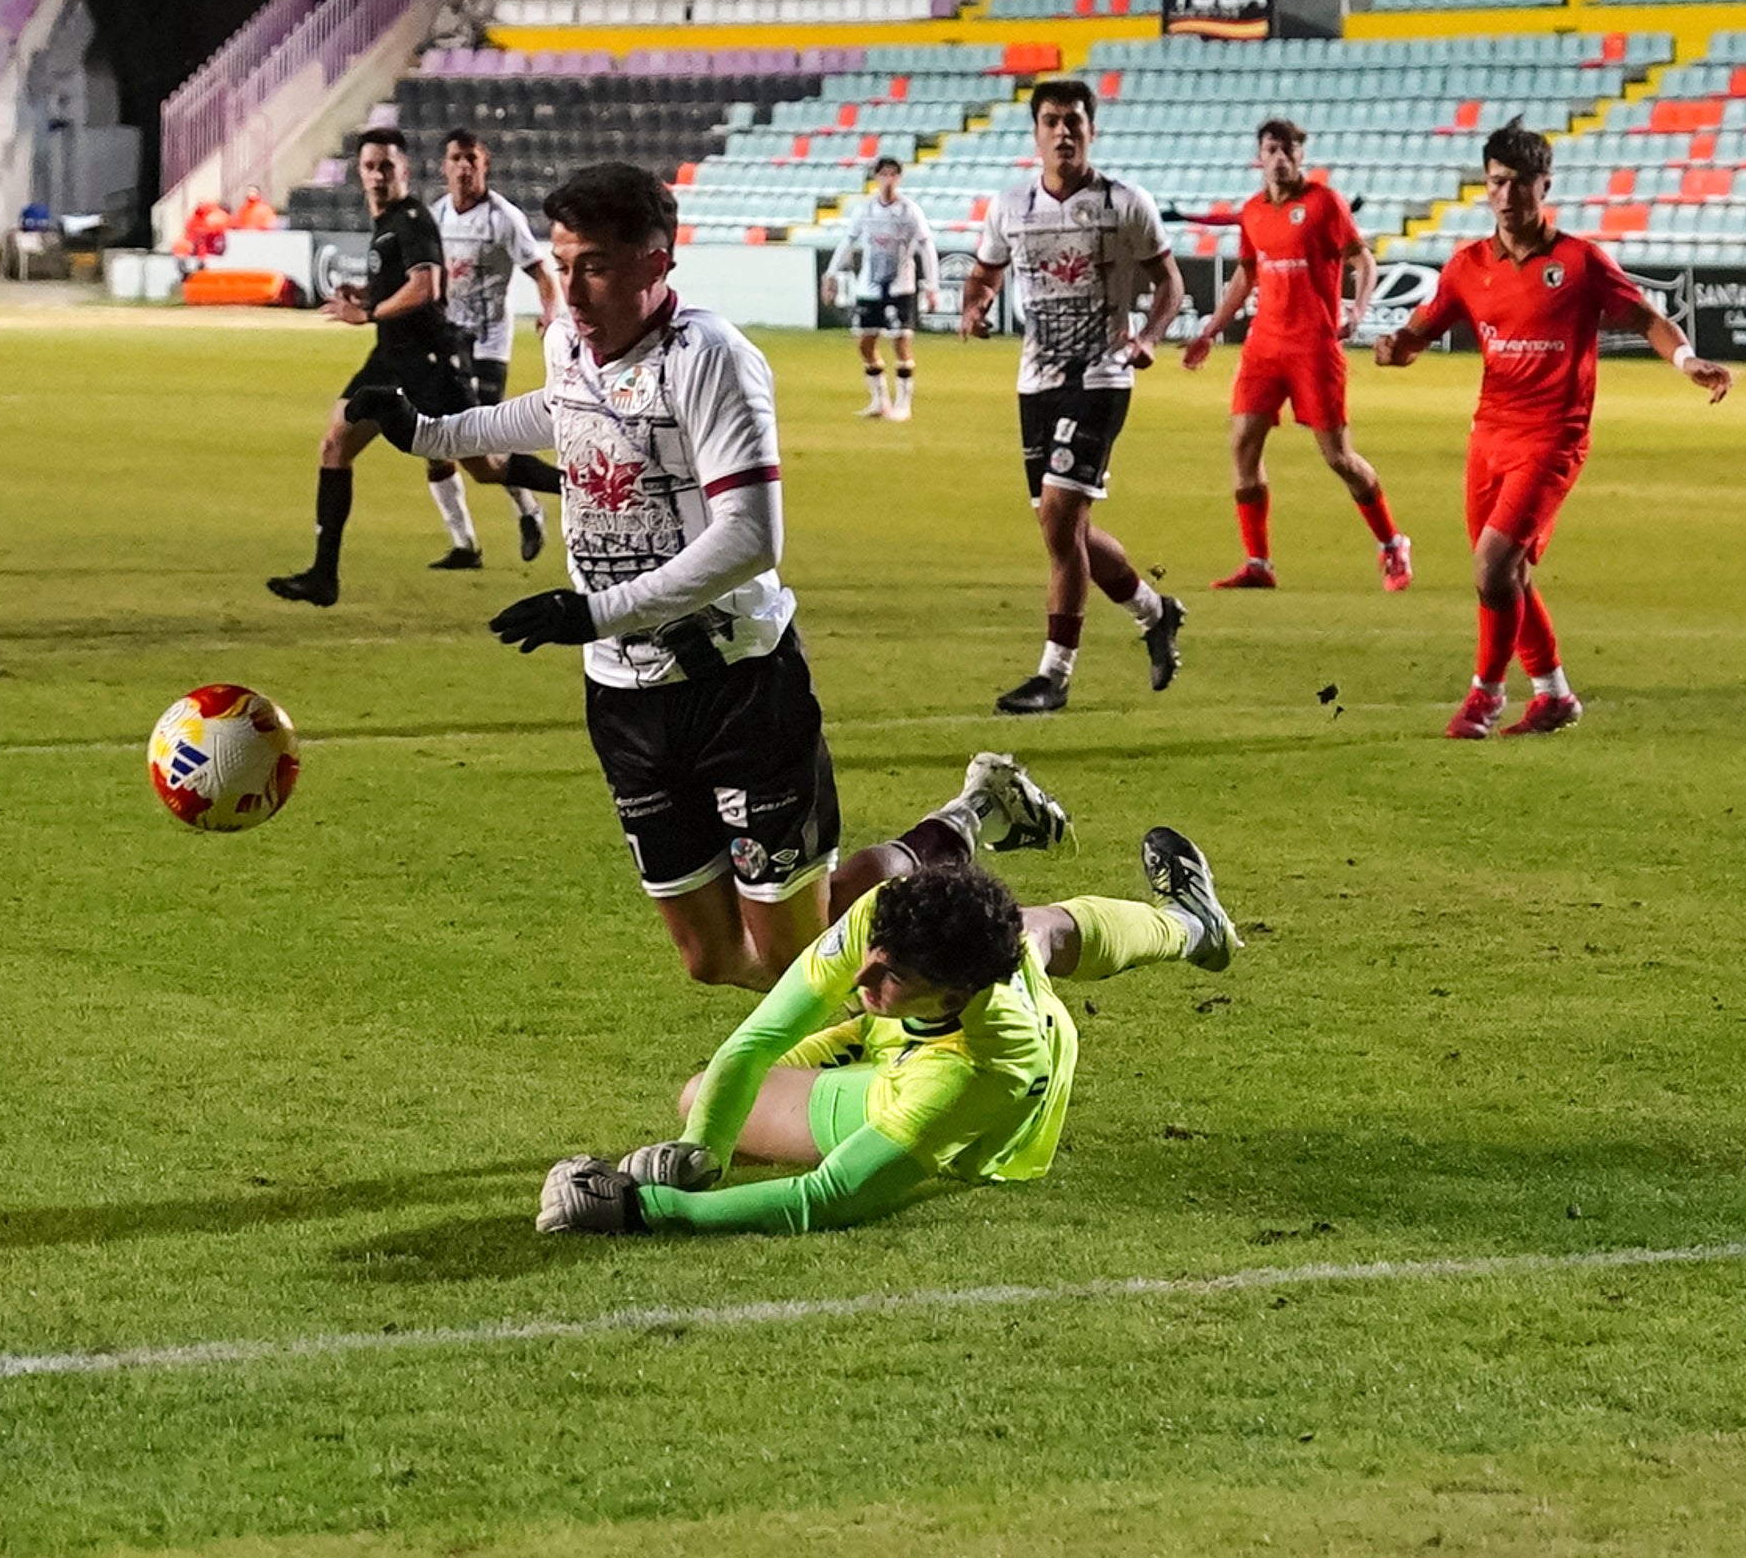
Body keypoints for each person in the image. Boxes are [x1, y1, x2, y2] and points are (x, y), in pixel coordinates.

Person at [346, 161, 835, 990]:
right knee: (713, 958)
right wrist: (429, 432)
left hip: (737, 685)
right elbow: (557, 409)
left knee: (795, 958)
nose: (570, 291)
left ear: (656, 263)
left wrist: (596, 612)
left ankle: (940, 849)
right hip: (624, 696)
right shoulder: (567, 342)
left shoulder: (711, 359)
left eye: (596, 267)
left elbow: (751, 536)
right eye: (563, 264)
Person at [535, 755, 1240, 1237]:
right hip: (926, 1021)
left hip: (964, 1097)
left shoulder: (983, 1070)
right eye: (872, 962)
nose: (861, 981)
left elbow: (827, 1198)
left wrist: (653, 1210)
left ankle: (1182, 920)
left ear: (953, 992)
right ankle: (1191, 925)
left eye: (890, 978)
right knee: (1036, 927)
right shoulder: (884, 919)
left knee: (699, 1092)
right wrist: (700, 1152)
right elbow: (758, 1038)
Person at [1373, 120, 1731, 739]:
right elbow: (1415, 336)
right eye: (1496, 183)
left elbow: (1646, 317)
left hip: (1553, 439)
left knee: (1491, 567)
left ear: (1545, 185)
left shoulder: (1579, 262)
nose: (1506, 196)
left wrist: (1685, 360)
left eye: (1519, 183)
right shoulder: (1467, 267)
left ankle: (1485, 695)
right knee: (1509, 574)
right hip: (1489, 437)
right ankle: (1554, 696)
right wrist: (1394, 348)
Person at [959, 78, 1188, 715]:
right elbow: (984, 273)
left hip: (1101, 377)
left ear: (1092, 130)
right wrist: (975, 306)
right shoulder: (1011, 206)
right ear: (1036, 133)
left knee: (1061, 520)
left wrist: (1149, 336)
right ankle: (1155, 612)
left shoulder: (1125, 203)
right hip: (1036, 382)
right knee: (1067, 530)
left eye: (1074, 122)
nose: (1063, 132)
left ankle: (1053, 676)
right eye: (1052, 121)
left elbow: (1169, 281)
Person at [266, 129, 546, 607]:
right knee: (335, 444)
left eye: (387, 167)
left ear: (405, 171)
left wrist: (369, 313)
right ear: (359, 172)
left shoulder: (413, 218)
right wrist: (366, 294)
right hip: (390, 358)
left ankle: (576, 485)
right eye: (370, 167)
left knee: (484, 466)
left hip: (429, 362)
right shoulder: (392, 220)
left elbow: (426, 286)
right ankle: (323, 575)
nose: (378, 175)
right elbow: (406, 283)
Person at [1181, 117, 1410, 592]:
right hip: (1264, 346)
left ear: (1301, 155)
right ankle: (1258, 563)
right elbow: (1247, 275)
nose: (1281, 158)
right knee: (1243, 444)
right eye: (1272, 150)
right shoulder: (1253, 211)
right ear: (1260, 157)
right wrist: (1210, 330)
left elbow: (1362, 259)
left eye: (1289, 150)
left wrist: (1357, 310)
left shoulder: (1324, 203)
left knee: (1338, 457)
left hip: (1314, 347)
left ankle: (1392, 543)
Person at [428, 128, 564, 566]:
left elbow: (542, 272)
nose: (464, 167)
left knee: (484, 439)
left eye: (472, 159)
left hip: (488, 343)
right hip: (448, 343)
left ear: (484, 165)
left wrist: (550, 313)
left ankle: (532, 506)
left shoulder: (503, 217)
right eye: (456, 158)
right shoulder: (436, 215)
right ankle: (464, 545)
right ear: (445, 166)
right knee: (433, 440)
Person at [822, 157, 939, 420]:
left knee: (901, 342)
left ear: (899, 179)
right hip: (870, 287)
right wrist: (831, 274)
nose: (888, 180)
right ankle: (880, 401)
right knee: (865, 343)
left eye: (893, 175)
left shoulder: (909, 211)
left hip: (901, 287)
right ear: (876, 177)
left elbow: (926, 245)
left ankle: (903, 405)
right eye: (884, 174)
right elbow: (848, 240)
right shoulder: (865, 209)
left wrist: (933, 285)